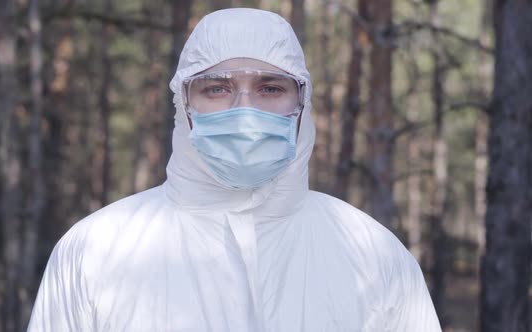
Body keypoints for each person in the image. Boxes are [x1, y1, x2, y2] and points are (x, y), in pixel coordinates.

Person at [27, 8, 441, 332]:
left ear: (302, 105)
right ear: (183, 104)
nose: (245, 110)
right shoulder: (97, 251)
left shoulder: (373, 254)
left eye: (271, 88)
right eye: (217, 88)